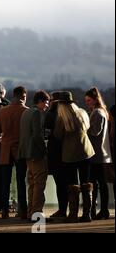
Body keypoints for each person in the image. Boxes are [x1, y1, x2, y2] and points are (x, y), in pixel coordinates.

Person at [54, 91, 95, 223]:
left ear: (61, 104)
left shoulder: (62, 118)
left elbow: (58, 136)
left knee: (73, 185)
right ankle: (87, 214)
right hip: (86, 152)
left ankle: (73, 214)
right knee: (86, 183)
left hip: (70, 155)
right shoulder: (82, 113)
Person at [0, 86, 29, 219]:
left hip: (5, 149)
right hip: (20, 150)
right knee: (21, 181)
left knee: (5, 182)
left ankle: (4, 210)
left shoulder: (2, 111)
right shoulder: (26, 111)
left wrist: (0, 147)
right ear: (23, 96)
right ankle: (22, 210)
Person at [19, 90, 50, 220]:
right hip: (36, 153)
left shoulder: (26, 112)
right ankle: (36, 212)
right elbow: (37, 135)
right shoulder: (37, 113)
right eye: (47, 102)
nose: (47, 106)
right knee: (39, 183)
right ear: (41, 101)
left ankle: (30, 211)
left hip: (26, 152)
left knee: (31, 183)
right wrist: (45, 150)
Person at [85, 87, 112, 220]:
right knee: (101, 183)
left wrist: (84, 130)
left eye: (89, 100)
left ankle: (98, 211)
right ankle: (103, 210)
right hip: (102, 153)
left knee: (96, 183)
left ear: (95, 99)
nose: (87, 103)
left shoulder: (97, 113)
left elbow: (95, 132)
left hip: (97, 154)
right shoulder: (103, 112)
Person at [45, 92, 68, 219]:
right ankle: (68, 209)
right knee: (67, 182)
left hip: (54, 152)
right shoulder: (68, 114)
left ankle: (62, 209)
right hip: (68, 152)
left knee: (59, 182)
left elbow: (47, 133)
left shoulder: (50, 115)